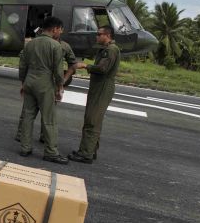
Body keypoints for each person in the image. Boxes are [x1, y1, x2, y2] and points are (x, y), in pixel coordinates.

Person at [18, 16, 68, 164]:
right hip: (45, 83)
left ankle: (25, 147)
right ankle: (51, 152)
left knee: (28, 115)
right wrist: (60, 87)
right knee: (49, 119)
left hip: (29, 81)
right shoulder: (55, 46)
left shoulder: (30, 43)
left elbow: (22, 65)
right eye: (60, 30)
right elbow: (58, 71)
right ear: (54, 29)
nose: (60, 33)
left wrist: (23, 83)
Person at [14, 29, 79, 142]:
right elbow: (24, 59)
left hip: (51, 83)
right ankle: (21, 135)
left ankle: (44, 137)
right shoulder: (37, 43)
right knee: (28, 112)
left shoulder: (64, 46)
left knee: (46, 113)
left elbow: (73, 64)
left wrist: (64, 80)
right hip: (39, 80)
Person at [69, 25, 121, 164]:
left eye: (99, 34)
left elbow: (103, 69)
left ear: (108, 35)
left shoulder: (110, 50)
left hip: (102, 87)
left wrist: (86, 66)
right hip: (99, 87)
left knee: (92, 120)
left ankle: (85, 153)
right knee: (94, 119)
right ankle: (90, 151)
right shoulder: (107, 49)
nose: (97, 36)